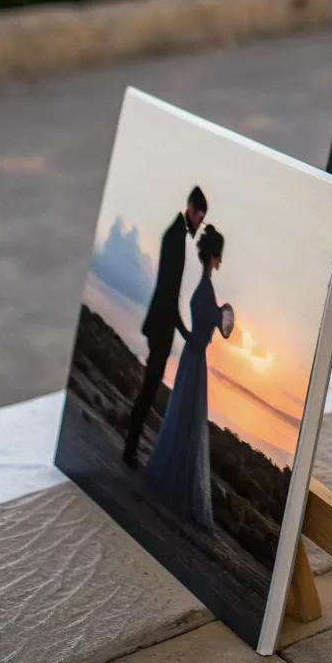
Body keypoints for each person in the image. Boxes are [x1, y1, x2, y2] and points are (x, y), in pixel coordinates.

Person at [145, 224, 233, 530]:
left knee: (183, 412)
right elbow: (220, 327)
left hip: (191, 355)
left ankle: (174, 478)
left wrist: (190, 330)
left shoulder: (201, 288)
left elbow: (205, 325)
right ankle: (179, 485)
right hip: (195, 358)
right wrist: (220, 316)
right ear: (215, 257)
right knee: (188, 415)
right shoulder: (206, 290)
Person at [123, 185, 207, 467]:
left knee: (149, 387)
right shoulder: (175, 237)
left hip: (160, 323)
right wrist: (184, 332)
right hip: (162, 325)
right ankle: (129, 450)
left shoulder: (177, 234)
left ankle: (130, 446)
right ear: (191, 210)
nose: (199, 223)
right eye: (200, 217)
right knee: (149, 389)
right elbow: (169, 291)